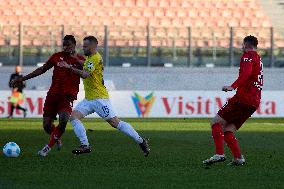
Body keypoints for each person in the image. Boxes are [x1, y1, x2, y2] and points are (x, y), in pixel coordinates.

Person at [58, 36, 150, 157]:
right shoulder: (91, 58)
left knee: (115, 122)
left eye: (85, 46)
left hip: (99, 99)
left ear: (93, 47)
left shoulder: (94, 58)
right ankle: (85, 145)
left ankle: (141, 141)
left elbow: (85, 74)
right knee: (74, 117)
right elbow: (85, 65)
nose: (83, 48)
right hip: (89, 99)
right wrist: (75, 59)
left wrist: (69, 67)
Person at [11, 35, 84, 156]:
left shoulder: (80, 60)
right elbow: (41, 69)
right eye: (64, 45)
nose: (65, 47)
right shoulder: (56, 57)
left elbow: (88, 71)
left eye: (68, 45)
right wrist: (22, 79)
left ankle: (47, 148)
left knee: (64, 119)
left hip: (67, 97)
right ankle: (56, 137)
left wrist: (75, 59)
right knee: (46, 126)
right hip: (53, 95)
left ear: (74, 45)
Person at [203, 35, 263, 166]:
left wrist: (232, 86)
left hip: (243, 98)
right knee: (228, 129)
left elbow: (246, 74)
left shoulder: (247, 55)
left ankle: (219, 153)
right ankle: (238, 158)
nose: (242, 47)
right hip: (254, 102)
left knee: (215, 122)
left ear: (246, 45)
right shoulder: (258, 58)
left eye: (243, 45)